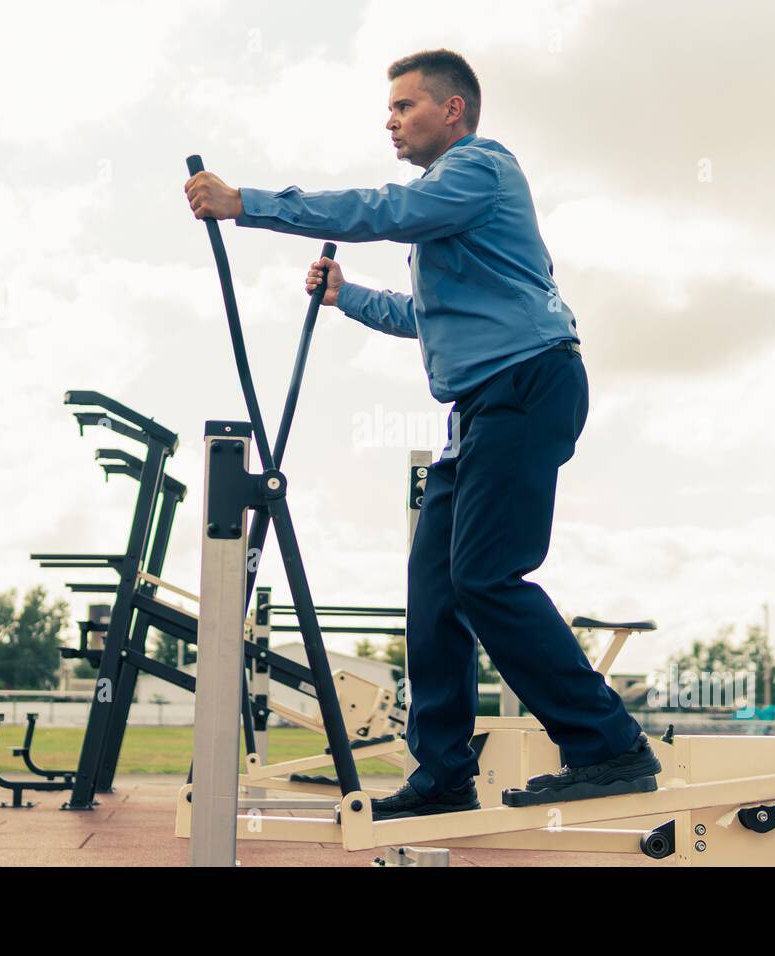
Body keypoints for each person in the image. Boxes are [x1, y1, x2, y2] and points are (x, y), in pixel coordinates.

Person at [185, 48, 660, 819]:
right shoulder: (448, 214)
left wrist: (249, 203)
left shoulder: (481, 171)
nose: (391, 121)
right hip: (476, 410)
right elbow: (424, 317)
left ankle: (609, 746)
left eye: (405, 107)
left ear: (454, 111)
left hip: (528, 386)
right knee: (433, 596)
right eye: (390, 110)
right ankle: (441, 774)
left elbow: (384, 210)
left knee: (485, 576)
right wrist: (348, 298)